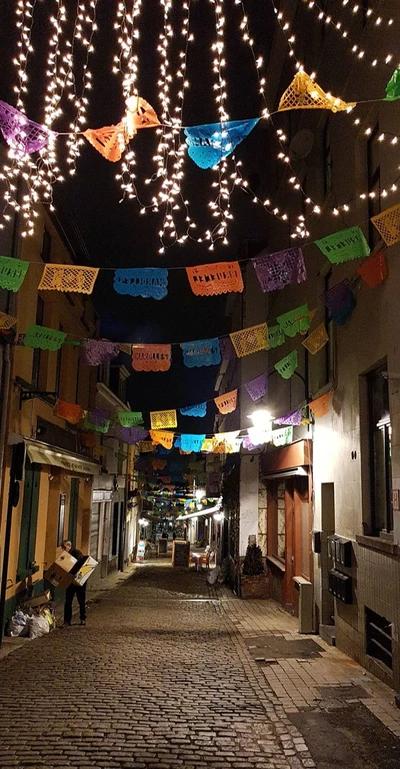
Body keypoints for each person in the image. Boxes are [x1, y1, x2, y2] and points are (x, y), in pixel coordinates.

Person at [61, 540, 87, 627]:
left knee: (81, 600)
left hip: (78, 580)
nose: (64, 549)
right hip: (70, 580)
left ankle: (82, 618)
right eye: (62, 548)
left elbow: (80, 565)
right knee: (68, 601)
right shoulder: (65, 556)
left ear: (69, 546)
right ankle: (67, 620)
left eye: (64, 547)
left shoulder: (76, 553)